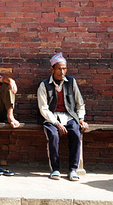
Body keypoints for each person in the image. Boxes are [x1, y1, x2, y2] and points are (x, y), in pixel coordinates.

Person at [37, 52, 89, 181]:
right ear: (52, 69)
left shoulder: (71, 82)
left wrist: (81, 118)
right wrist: (56, 123)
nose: (62, 71)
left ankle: (73, 169)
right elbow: (43, 108)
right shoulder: (44, 85)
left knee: (76, 133)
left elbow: (79, 103)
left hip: (69, 116)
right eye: (59, 68)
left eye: (64, 68)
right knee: (53, 135)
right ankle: (55, 169)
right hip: (51, 118)